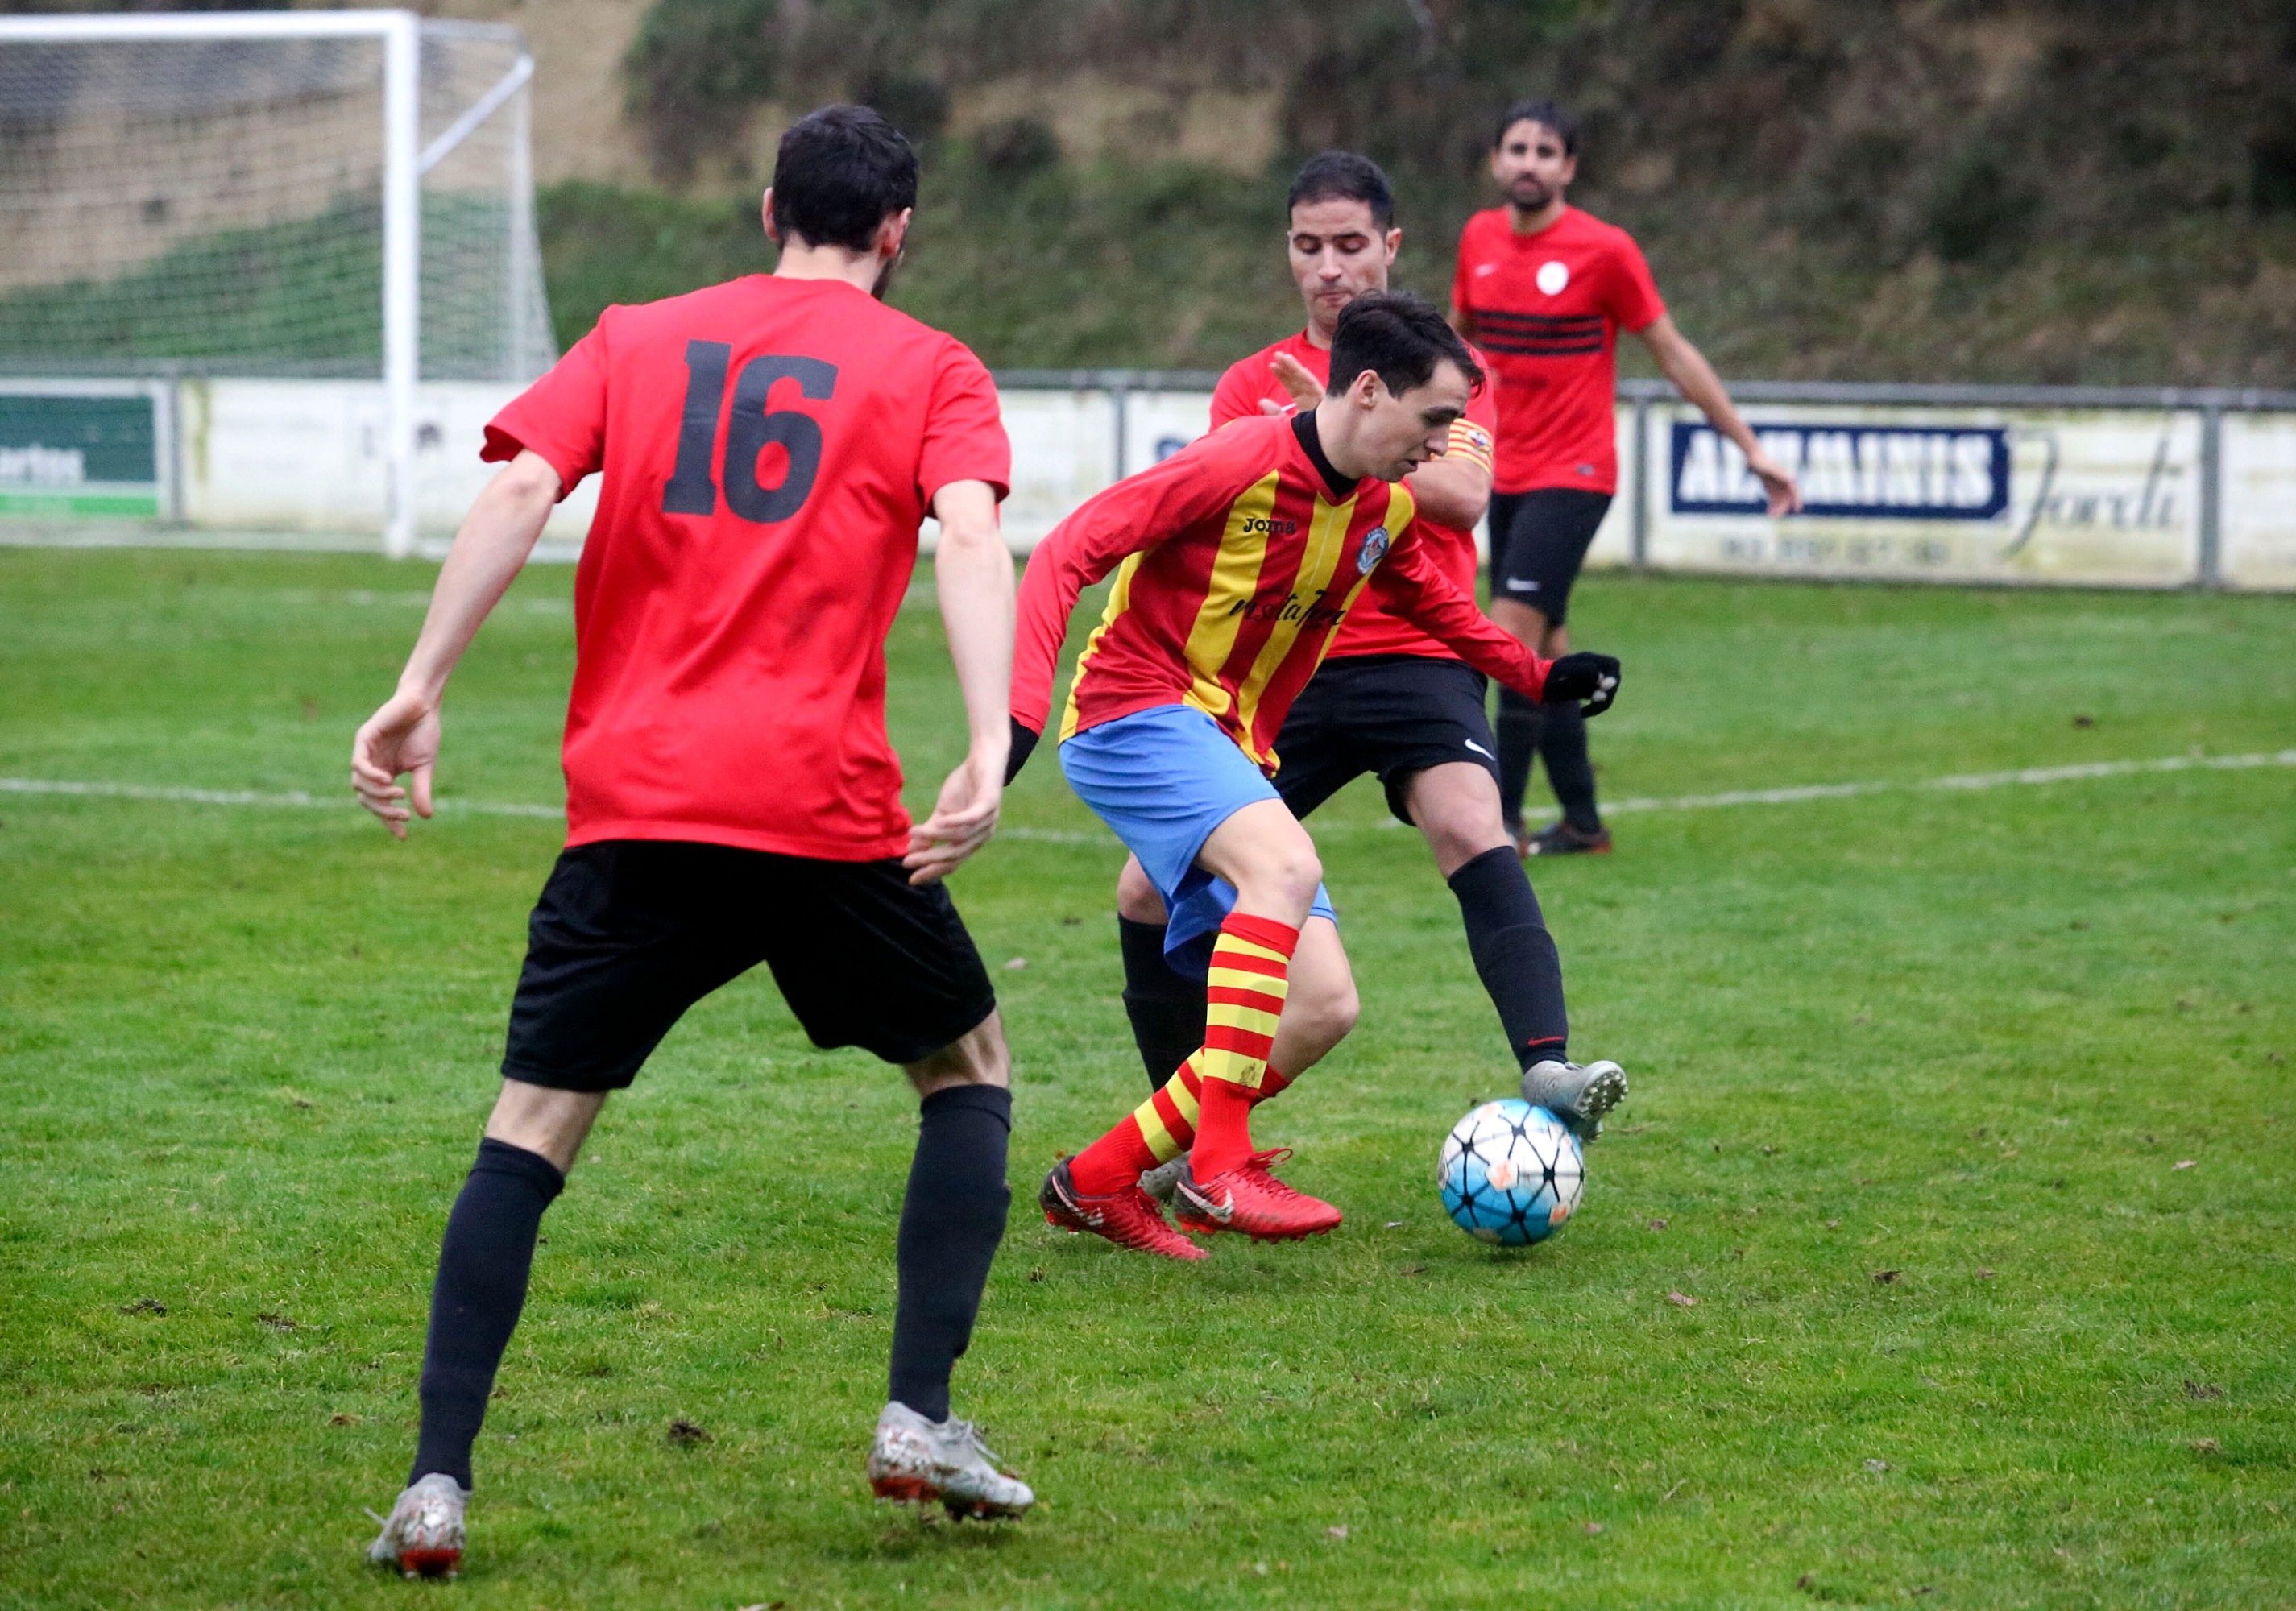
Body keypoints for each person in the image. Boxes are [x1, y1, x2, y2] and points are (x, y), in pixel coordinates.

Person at [350, 106, 1033, 1576]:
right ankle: (917, 1415)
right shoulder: (933, 367)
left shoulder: (637, 334)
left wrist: (420, 685)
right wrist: (986, 740)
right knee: (965, 1067)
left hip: (638, 804)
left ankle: (434, 1489)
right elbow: (972, 536)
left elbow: (524, 483)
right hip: (821, 811)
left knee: (531, 1130)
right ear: (899, 231)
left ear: (766, 203)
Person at [1008, 290, 1622, 1262]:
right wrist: (1018, 717)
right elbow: (1068, 550)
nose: (1441, 446)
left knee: (1324, 1006)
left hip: (1229, 745)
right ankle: (1218, 1162)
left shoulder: (1375, 509)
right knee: (1282, 869)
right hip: (1137, 709)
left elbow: (1442, 613)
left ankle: (1093, 1180)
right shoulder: (1239, 460)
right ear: (1369, 390)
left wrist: (1543, 675)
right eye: (1434, 421)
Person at [1113, 152, 1629, 1206]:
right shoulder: (1248, 381)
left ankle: (1547, 1066)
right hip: (1286, 672)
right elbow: (1221, 500)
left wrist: (1341, 434)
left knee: (1469, 817)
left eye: (1352, 245)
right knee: (1139, 888)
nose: (1330, 267)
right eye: (1309, 246)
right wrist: (1298, 429)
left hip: (1418, 657)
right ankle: (1177, 1133)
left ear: (1393, 248)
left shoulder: (1441, 370)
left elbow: (1462, 496)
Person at [1455, 98, 1802, 855]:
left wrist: (1749, 448)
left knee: (1505, 638)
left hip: (1575, 473)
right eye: (1517, 148)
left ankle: (1497, 828)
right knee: (1543, 653)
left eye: (1547, 152)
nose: (1529, 163)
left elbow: (1673, 353)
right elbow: (1458, 349)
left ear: (1570, 168)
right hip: (1499, 472)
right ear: (1495, 160)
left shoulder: (1605, 251)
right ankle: (1583, 824)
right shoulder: (1478, 240)